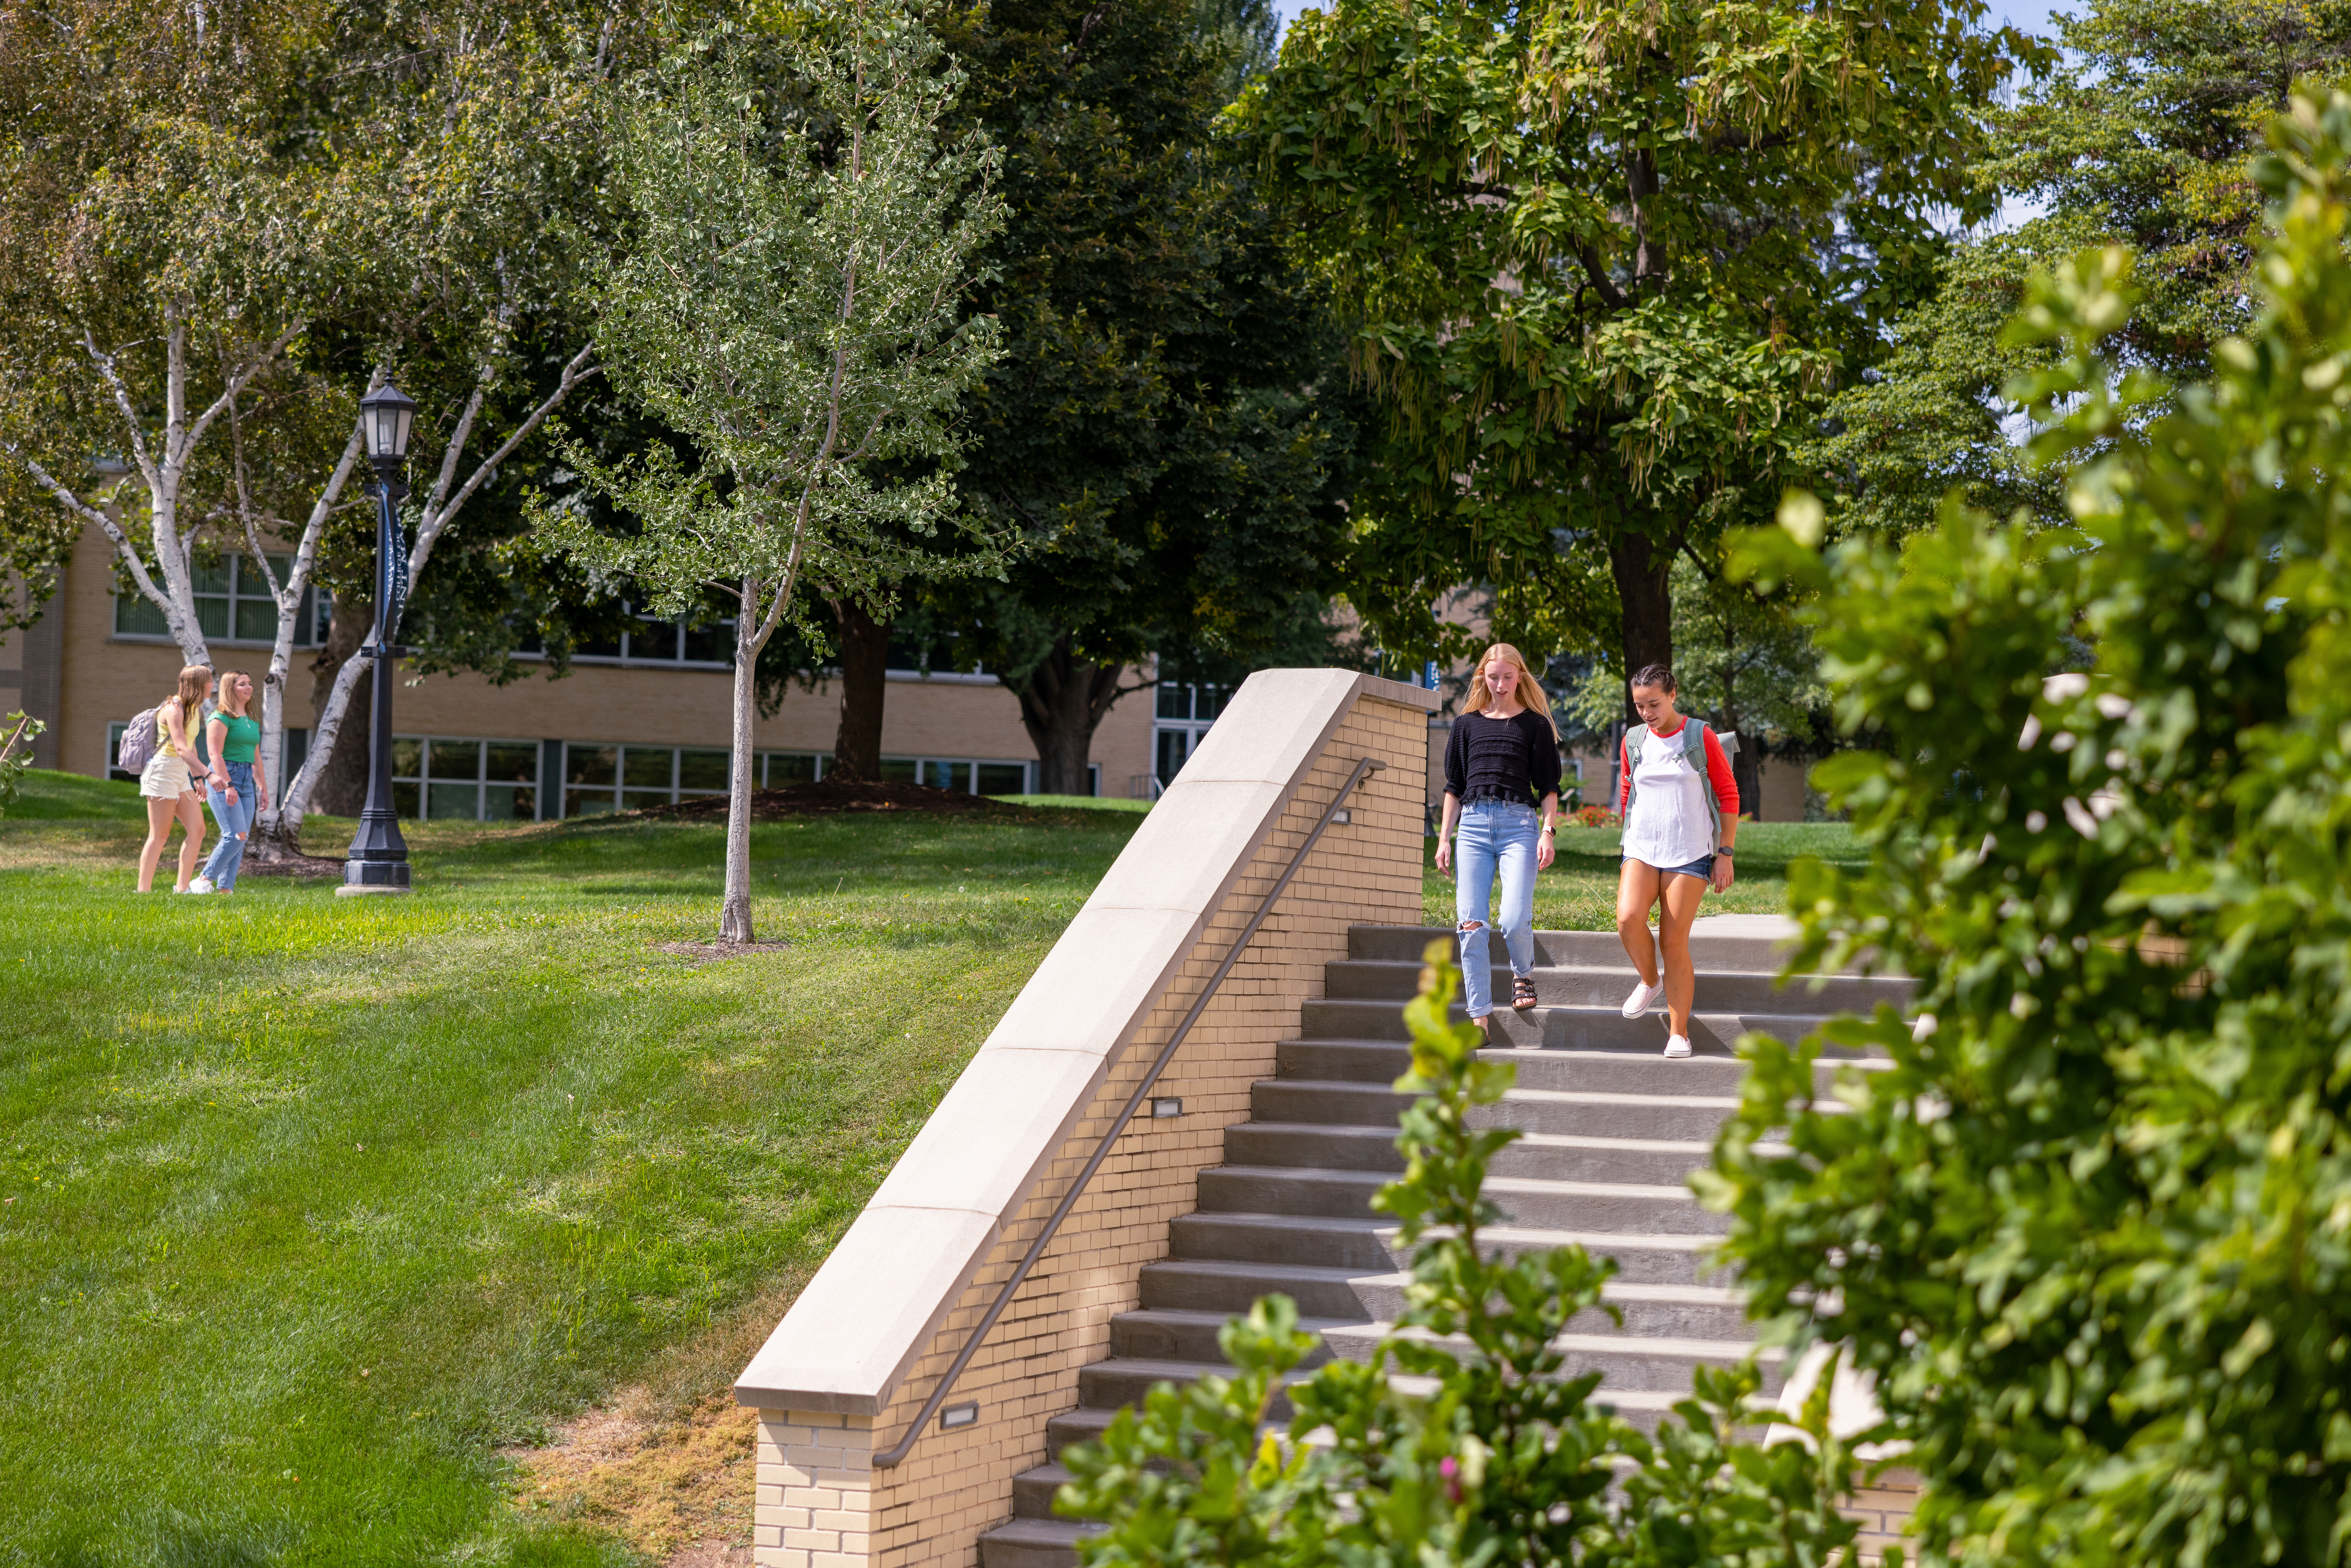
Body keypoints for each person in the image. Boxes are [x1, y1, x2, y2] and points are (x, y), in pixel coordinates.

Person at [1434, 643, 1562, 1034]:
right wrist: (1444, 840)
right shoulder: (1466, 725)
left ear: (1520, 677)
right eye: (1494, 678)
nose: (1501, 685)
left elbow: (1549, 788)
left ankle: (1522, 974)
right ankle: (1479, 1017)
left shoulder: (1535, 725)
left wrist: (1548, 832)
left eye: (1509, 677)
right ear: (1482, 678)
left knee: (1512, 919)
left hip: (1519, 827)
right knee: (1471, 924)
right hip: (1471, 828)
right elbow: (1454, 787)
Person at [1613, 663, 1739, 1059]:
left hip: (1691, 852)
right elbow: (1626, 790)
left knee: (1672, 940)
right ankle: (1650, 981)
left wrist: (1725, 853)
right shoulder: (1633, 739)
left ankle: (1679, 1034)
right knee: (1628, 919)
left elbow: (1728, 794)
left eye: (1654, 703)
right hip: (1643, 847)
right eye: (1639, 706)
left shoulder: (1698, 735)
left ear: (1673, 694)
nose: (1647, 712)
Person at [136, 665, 213, 894]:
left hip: (180, 773)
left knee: (198, 830)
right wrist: (210, 774)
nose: (212, 686)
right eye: (210, 681)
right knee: (160, 835)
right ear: (199, 684)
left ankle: (182, 890)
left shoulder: (195, 709)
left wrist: (198, 777)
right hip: (163, 772)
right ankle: (143, 892)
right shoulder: (174, 709)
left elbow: (191, 747)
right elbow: (180, 748)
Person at [190, 670, 265, 895]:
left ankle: (226, 890)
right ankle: (203, 880)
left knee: (242, 837)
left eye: (250, 684)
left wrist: (263, 787)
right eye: (242, 684)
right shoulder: (219, 718)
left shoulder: (251, 721)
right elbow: (215, 755)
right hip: (226, 777)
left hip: (246, 782)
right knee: (235, 835)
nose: (249, 688)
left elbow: (257, 757)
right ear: (230, 689)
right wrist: (228, 785)